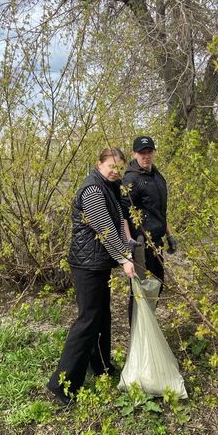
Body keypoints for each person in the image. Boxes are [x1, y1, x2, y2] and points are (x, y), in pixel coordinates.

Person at [47, 148, 135, 405]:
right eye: (111, 166)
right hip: (86, 266)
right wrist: (124, 258)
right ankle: (62, 385)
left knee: (102, 316)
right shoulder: (93, 190)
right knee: (88, 320)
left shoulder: (110, 185)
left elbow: (119, 219)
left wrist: (128, 244)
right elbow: (105, 228)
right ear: (99, 164)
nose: (116, 171)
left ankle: (101, 366)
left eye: (119, 167)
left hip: (98, 262)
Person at [121, 136, 177, 322]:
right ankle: (138, 331)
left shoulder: (157, 176)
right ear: (134, 154)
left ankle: (149, 324)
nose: (146, 156)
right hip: (140, 243)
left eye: (149, 152)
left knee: (157, 284)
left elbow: (159, 210)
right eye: (142, 153)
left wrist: (169, 235)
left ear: (154, 152)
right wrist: (129, 240)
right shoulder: (130, 179)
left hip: (157, 242)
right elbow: (123, 214)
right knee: (141, 288)